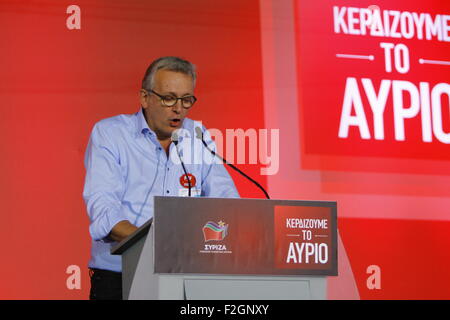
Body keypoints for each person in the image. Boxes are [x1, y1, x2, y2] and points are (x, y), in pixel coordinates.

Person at [83, 56, 239, 300]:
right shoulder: (112, 134)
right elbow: (104, 211)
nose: (179, 108)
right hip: (122, 279)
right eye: (169, 98)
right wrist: (156, 246)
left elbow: (227, 201)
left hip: (185, 278)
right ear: (145, 98)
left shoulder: (197, 136)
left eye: (187, 100)